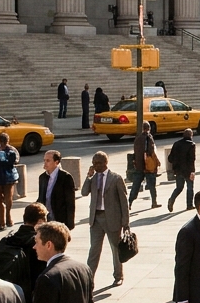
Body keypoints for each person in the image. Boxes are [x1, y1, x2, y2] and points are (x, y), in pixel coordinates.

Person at [82, 151, 129, 286]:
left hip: (112, 219)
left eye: (97, 163)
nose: (95, 166)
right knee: (94, 250)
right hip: (96, 218)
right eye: (93, 163)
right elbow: (84, 192)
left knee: (115, 249)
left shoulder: (116, 178)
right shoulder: (93, 178)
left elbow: (123, 202)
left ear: (105, 163)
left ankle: (118, 276)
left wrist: (125, 222)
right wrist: (88, 176)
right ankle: (89, 279)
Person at [37, 150, 77, 229]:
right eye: (44, 160)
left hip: (59, 219)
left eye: (48, 161)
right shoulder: (42, 177)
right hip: (45, 219)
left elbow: (70, 203)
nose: (45, 163)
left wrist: (70, 223)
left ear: (56, 162)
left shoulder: (65, 177)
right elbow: (41, 198)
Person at [128, 121, 160, 209]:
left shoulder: (137, 138)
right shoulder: (149, 137)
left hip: (139, 165)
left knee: (136, 185)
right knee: (152, 185)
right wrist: (157, 162)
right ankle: (154, 202)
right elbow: (152, 152)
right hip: (148, 166)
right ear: (149, 128)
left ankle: (130, 202)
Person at [167, 129, 198, 212]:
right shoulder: (192, 145)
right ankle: (189, 205)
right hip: (188, 170)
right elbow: (192, 159)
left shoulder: (176, 144)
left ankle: (171, 199)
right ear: (191, 136)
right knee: (190, 188)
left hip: (178, 170)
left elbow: (170, 158)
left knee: (179, 187)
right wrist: (192, 171)